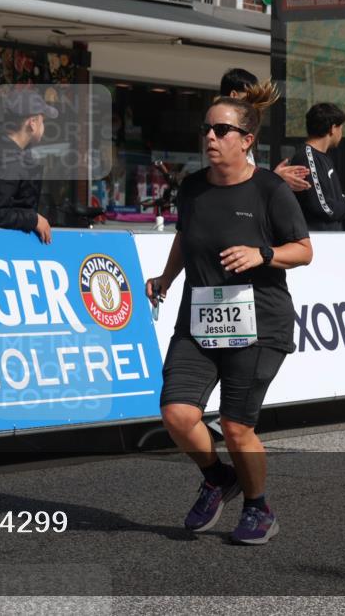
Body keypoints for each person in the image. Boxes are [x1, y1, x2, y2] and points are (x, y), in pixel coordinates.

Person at [145, 81, 313, 545]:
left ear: (247, 139)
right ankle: (218, 478)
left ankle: (259, 508)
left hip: (259, 322)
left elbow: (303, 251)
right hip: (199, 318)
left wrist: (263, 254)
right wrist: (165, 278)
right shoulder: (193, 187)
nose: (211, 138)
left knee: (237, 427)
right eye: (207, 129)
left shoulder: (269, 190)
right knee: (177, 414)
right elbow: (186, 236)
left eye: (222, 130)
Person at [0, 87, 57, 244]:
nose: (44, 127)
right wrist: (33, 219)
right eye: (42, 121)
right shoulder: (6, 160)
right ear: (32, 123)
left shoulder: (10, 149)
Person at [219, 68, 311, 192]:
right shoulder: (223, 131)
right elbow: (237, 182)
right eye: (251, 98)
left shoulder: (237, 130)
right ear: (234, 95)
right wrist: (275, 177)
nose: (254, 105)